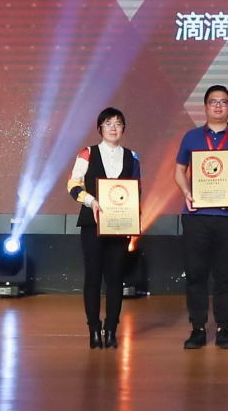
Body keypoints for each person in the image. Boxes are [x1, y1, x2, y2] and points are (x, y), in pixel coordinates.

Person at [173, 84, 228, 350]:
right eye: (213, 101)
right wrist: (186, 192)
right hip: (195, 215)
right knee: (195, 274)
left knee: (225, 275)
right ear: (205, 107)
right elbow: (179, 170)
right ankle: (197, 328)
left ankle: (223, 328)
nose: (218, 106)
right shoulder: (191, 137)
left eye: (223, 102)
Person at [66, 106, 141, 350]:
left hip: (119, 225)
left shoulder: (132, 156)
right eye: (108, 123)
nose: (113, 128)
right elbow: (73, 184)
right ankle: (93, 330)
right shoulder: (87, 153)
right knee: (93, 276)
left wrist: (133, 220)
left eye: (118, 123)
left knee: (115, 278)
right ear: (100, 128)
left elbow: (136, 190)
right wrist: (92, 201)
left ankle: (111, 330)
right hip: (92, 223)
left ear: (123, 129)